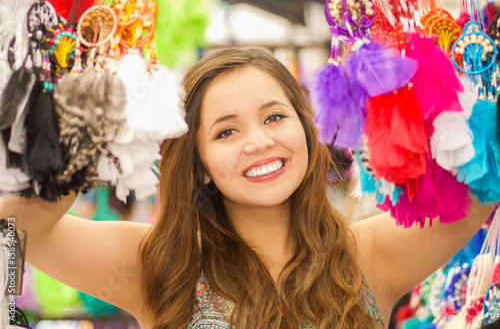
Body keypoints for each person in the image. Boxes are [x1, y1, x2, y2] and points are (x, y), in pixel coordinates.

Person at [0, 47, 495, 329]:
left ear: (307, 130)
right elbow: (20, 229)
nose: (259, 142)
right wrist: (97, 125)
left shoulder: (369, 252)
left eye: (275, 117)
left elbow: (483, 184)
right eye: (226, 132)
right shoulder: (156, 262)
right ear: (197, 164)